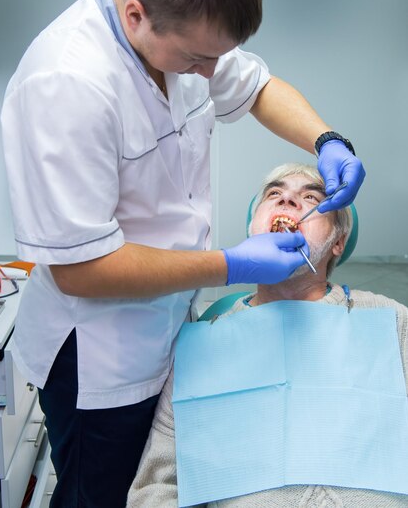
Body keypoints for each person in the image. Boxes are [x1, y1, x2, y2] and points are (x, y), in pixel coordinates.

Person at [1, 0, 365, 508]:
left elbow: (256, 87)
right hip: (102, 360)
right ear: (136, 14)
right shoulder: (66, 84)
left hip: (172, 326)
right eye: (198, 59)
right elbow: (80, 269)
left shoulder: (185, 34)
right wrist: (232, 265)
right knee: (105, 493)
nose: (210, 73)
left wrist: (326, 140)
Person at [127, 163, 408, 508]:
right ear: (251, 229)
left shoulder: (392, 322)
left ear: (338, 241)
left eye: (311, 197)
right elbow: (155, 488)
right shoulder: (205, 344)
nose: (288, 199)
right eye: (274, 194)